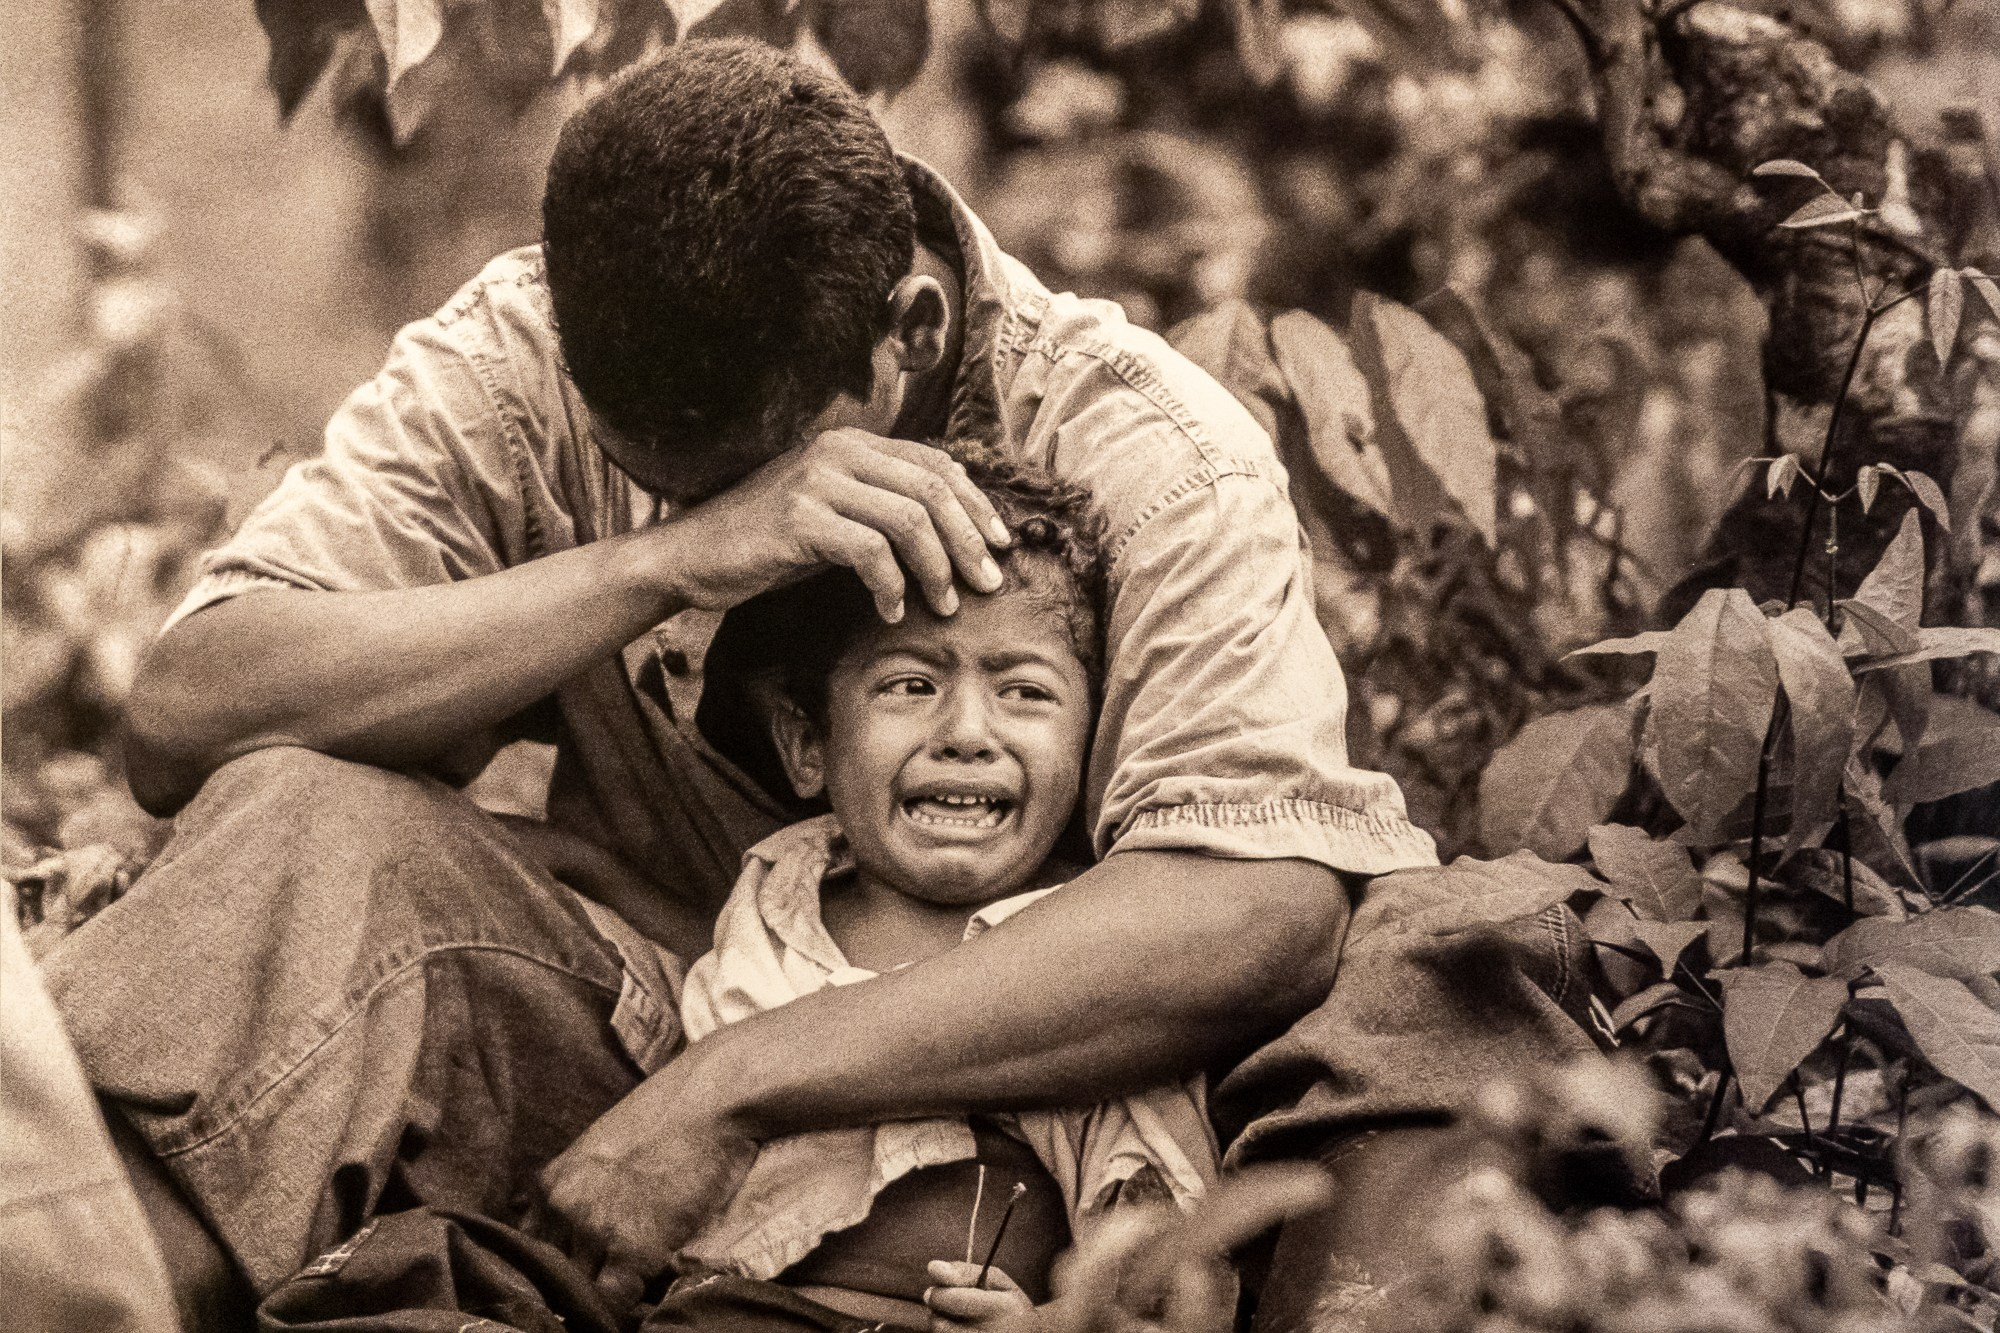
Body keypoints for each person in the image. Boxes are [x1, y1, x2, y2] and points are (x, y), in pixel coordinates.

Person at [42, 35, 1598, 1332]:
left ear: (907, 332)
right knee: (302, 813)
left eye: (738, 464)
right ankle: (68, 1272)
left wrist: (742, 1084)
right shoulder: (524, 352)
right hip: (647, 1036)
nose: (689, 504)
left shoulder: (1150, 450)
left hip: (1060, 1088)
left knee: (1442, 955)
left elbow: (1256, 912)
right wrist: (661, 562)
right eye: (652, 475)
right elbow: (190, 709)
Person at [664, 462, 1215, 1333]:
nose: (966, 733)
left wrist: (1048, 1326)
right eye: (911, 685)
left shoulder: (1094, 962)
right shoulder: (774, 896)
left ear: (1094, 744)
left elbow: (1164, 1262)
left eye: (1024, 691)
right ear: (807, 743)